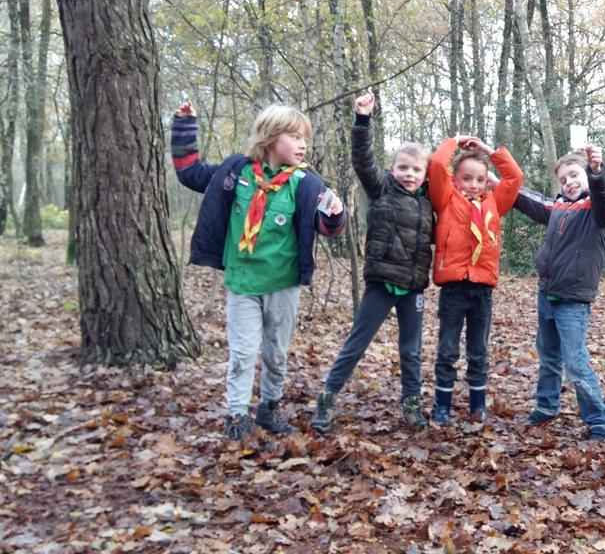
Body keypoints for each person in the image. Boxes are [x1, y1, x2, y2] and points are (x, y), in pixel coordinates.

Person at [171, 100, 347, 441]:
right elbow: (189, 173)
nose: (302, 144)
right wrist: (184, 126)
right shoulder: (235, 171)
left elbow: (330, 228)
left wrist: (336, 212)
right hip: (242, 281)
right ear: (270, 137)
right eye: (294, 136)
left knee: (276, 353)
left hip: (283, 283)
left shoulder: (305, 183)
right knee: (242, 352)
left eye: (304, 138)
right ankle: (236, 416)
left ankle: (269, 407)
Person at [311, 91, 435, 432]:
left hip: (413, 288)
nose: (409, 174)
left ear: (426, 173)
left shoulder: (428, 204)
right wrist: (363, 120)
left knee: (411, 351)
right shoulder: (382, 188)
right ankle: (327, 398)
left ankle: (412, 404)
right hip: (382, 282)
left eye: (416, 169)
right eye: (403, 168)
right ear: (392, 169)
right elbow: (363, 159)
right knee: (357, 342)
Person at [513, 145, 605, 441]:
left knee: (575, 362)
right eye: (563, 180)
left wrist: (597, 172)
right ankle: (546, 406)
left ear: (586, 175)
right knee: (549, 355)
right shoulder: (561, 207)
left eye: (574, 175)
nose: (569, 182)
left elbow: (604, 197)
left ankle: (599, 419)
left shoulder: (602, 210)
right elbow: (528, 200)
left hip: (573, 301)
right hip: (546, 293)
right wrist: (496, 183)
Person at [427, 134, 524, 424]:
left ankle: (477, 406)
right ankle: (442, 405)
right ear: (455, 180)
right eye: (466, 178)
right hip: (454, 288)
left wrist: (487, 151)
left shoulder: (494, 203)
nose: (473, 184)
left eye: (479, 180)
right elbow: (435, 165)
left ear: (486, 182)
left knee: (478, 350)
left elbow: (515, 177)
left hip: (482, 289)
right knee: (447, 349)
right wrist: (453, 141)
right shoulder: (446, 199)